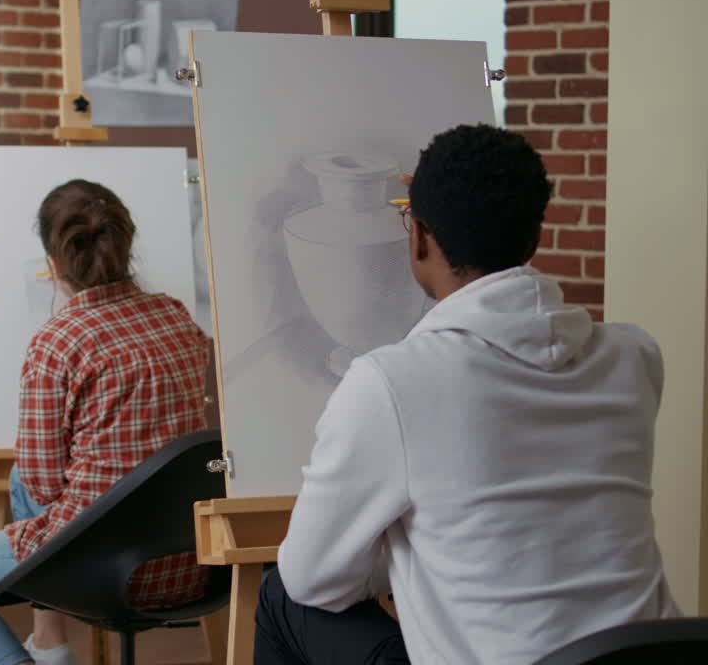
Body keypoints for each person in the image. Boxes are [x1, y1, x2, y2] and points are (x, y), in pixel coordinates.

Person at [254, 124, 679, 665]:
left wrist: (411, 548)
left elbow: (313, 578)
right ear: (535, 237)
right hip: (650, 656)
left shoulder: (390, 383)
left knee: (280, 596)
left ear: (420, 237)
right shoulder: (634, 357)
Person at [0, 179, 213, 665]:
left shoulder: (59, 341)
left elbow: (41, 477)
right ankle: (49, 641)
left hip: (99, 567)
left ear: (53, 263)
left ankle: (50, 644)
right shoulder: (176, 317)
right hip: (186, 563)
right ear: (126, 245)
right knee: (25, 480)